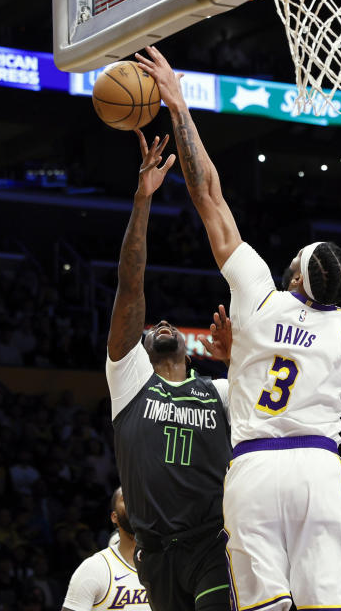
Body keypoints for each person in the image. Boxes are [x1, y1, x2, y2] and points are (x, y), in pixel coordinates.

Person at [137, 45, 341, 611]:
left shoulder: (257, 292)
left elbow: (208, 195)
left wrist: (180, 106)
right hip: (319, 470)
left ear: (295, 273)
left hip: (253, 470)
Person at [103, 130, 234, 611]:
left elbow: (271, 404)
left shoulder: (218, 393)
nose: (159, 323)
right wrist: (143, 201)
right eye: (149, 325)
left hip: (211, 544)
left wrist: (237, 361)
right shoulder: (130, 382)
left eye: (168, 323)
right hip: (155, 551)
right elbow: (130, 286)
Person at [62, 488, 150, 611]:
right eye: (126, 499)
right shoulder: (94, 568)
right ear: (114, 517)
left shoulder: (165, 567)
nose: (134, 503)